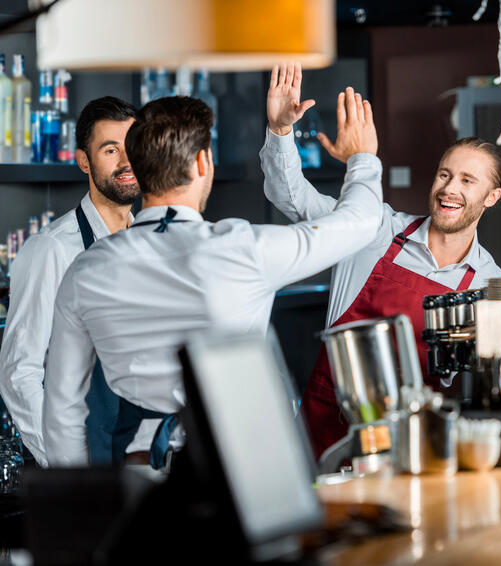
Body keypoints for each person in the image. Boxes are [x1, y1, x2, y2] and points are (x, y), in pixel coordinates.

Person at [42, 72, 382, 469]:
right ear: (203, 162)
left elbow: (62, 406)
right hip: (241, 469)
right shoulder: (242, 249)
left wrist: (82, 504)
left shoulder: (88, 268)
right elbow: (360, 221)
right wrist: (363, 157)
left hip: (138, 470)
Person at [261, 62, 501, 458]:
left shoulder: (488, 285)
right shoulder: (374, 226)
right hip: (324, 429)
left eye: (467, 180)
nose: (449, 189)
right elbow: (291, 197)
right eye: (445, 175)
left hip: (411, 447)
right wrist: (280, 131)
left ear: (491, 197)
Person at [0, 96, 140, 467]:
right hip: (89, 471)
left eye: (133, 147)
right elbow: (20, 372)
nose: (127, 162)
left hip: (147, 462)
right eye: (111, 150)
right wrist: (71, 467)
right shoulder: (52, 250)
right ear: (84, 160)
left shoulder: (152, 240)